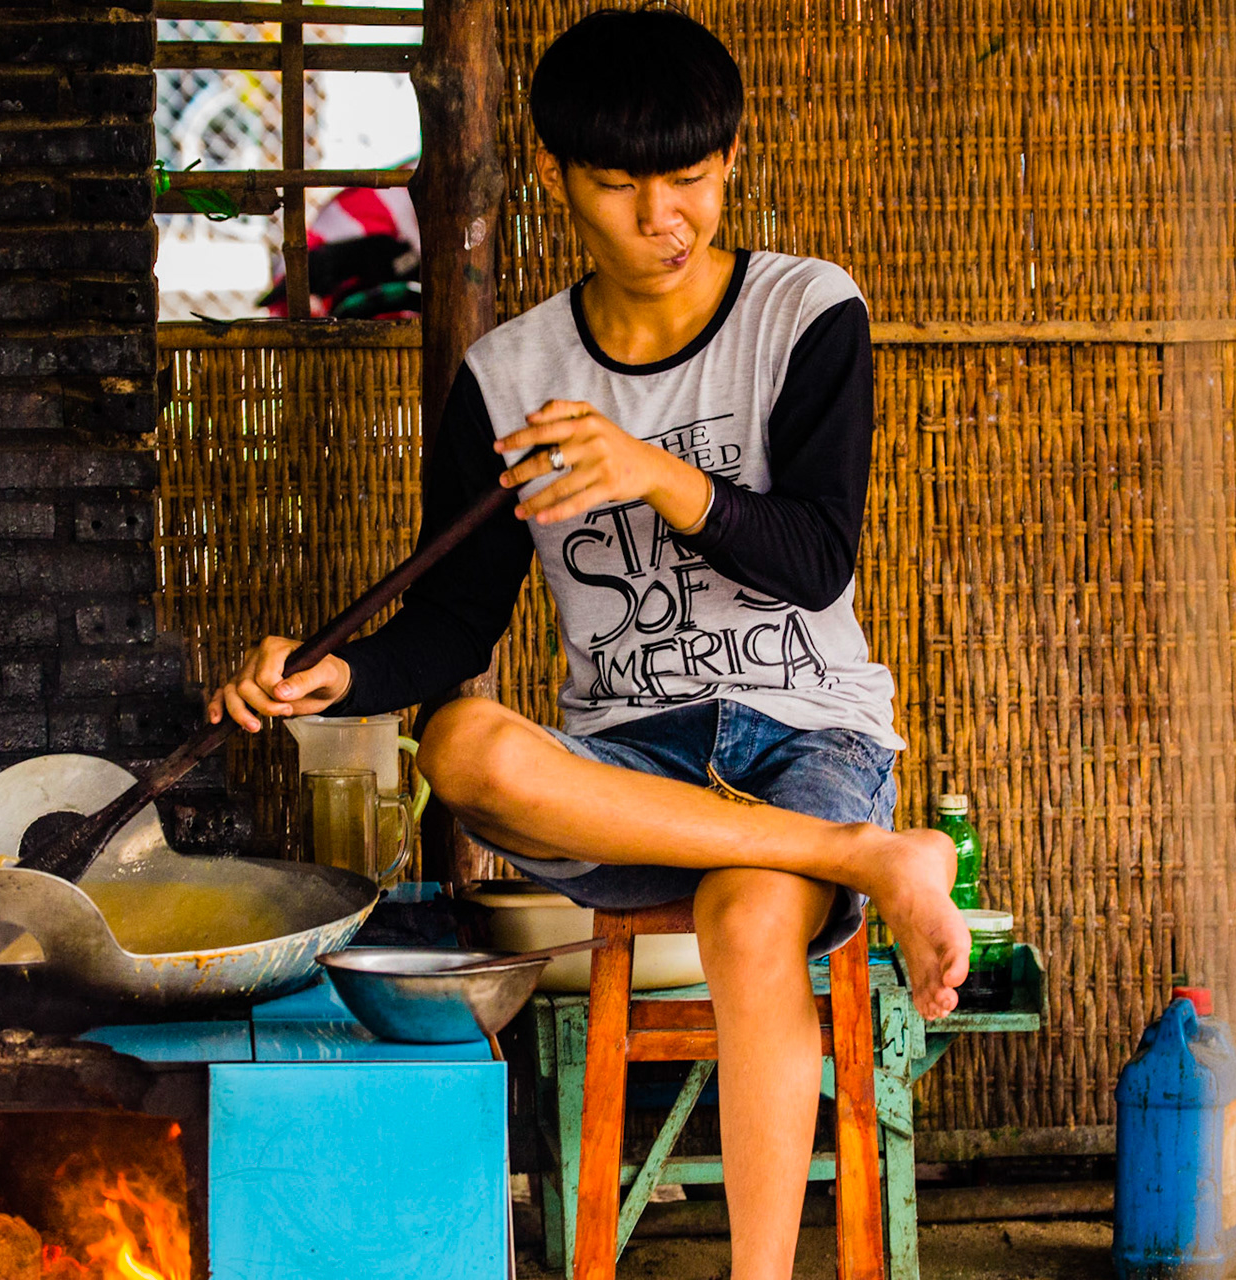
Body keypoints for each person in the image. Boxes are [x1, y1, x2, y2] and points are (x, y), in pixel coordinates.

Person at [208, 9, 969, 1275]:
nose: (661, 217)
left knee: (749, 915)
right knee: (460, 741)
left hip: (807, 725)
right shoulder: (510, 374)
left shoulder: (805, 311)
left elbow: (815, 555)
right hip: (625, 764)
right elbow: (457, 623)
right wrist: (347, 671)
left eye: (691, 178)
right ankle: (873, 854)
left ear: (733, 158)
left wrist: (649, 470)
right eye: (619, 186)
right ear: (561, 176)